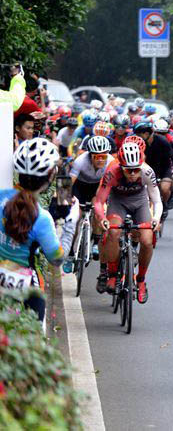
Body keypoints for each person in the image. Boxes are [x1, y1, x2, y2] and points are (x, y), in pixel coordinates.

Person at [1, 139, 73, 321]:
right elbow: (56, 258)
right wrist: (71, 224)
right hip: (26, 285)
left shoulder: (2, 197)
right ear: (50, 176)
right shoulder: (42, 218)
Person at [93, 138, 162, 303]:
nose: (132, 174)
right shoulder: (112, 172)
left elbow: (157, 201)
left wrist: (156, 218)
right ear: (120, 166)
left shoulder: (147, 171)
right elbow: (99, 201)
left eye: (135, 170)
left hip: (140, 202)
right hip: (118, 202)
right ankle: (111, 274)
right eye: (128, 170)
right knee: (114, 232)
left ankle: (141, 279)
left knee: (147, 240)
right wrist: (102, 218)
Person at [63, 136, 113, 273]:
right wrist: (63, 201)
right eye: (97, 157)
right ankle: (70, 256)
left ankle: (96, 243)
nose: (101, 160)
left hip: (97, 188)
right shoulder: (80, 161)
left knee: (99, 211)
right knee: (75, 218)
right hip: (79, 187)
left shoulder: (111, 162)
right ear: (90, 155)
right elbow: (68, 182)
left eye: (103, 156)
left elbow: (112, 185)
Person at [134, 121, 173, 215]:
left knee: (165, 188)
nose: (137, 136)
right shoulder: (139, 143)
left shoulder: (162, 141)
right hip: (147, 168)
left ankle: (164, 205)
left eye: (139, 134)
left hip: (164, 169)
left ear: (146, 133)